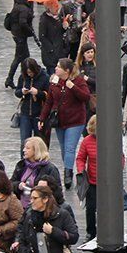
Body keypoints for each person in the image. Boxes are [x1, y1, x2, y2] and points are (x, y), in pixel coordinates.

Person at [39, 58, 91, 188]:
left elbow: (85, 97)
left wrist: (72, 87)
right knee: (64, 148)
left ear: (66, 70)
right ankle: (68, 167)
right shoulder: (54, 81)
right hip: (60, 120)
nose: (55, 68)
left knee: (69, 148)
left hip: (75, 120)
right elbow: (49, 102)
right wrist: (42, 118)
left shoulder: (77, 80)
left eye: (58, 67)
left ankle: (68, 174)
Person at [10, 137, 61, 210]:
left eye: (28, 148)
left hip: (40, 209)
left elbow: (57, 192)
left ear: (36, 151)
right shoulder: (21, 165)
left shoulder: (50, 169)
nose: (24, 150)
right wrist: (18, 185)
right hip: (21, 208)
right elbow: (11, 183)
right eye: (24, 147)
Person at [5, 0, 36, 90]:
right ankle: (10, 79)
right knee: (19, 57)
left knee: (25, 57)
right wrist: (30, 31)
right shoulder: (23, 8)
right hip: (20, 36)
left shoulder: (18, 5)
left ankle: (24, 78)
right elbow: (23, 22)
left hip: (18, 34)